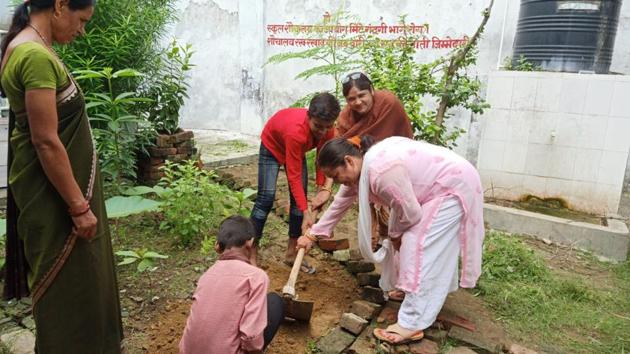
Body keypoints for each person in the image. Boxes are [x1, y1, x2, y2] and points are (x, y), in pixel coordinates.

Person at [0, 0, 123, 353]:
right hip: (57, 200)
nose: (82, 30)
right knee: (70, 287)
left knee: (80, 282)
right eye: (81, 20)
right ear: (59, 5)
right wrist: (78, 207)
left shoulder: (24, 45)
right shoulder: (35, 56)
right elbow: (46, 141)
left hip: (49, 192)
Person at [297, 136, 484, 344]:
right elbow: (340, 203)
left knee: (418, 245)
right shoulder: (363, 169)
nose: (340, 182)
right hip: (436, 188)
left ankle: (411, 323)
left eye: (336, 176)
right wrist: (311, 235)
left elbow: (411, 215)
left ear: (349, 161)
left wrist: (395, 235)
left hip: (452, 186)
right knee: (409, 241)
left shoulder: (380, 173)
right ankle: (414, 292)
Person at [337, 71, 414, 299]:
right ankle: (389, 273)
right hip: (366, 176)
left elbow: (402, 138)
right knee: (380, 229)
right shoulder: (345, 119)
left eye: (362, 95)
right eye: (352, 99)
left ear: (371, 90)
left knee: (401, 231)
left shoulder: (388, 104)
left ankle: (407, 282)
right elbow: (340, 151)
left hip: (396, 173)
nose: (358, 102)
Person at [249, 92, 340, 271]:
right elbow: (294, 176)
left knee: (299, 205)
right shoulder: (297, 132)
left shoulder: (328, 129)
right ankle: (251, 252)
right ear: (309, 116)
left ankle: (291, 254)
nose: (322, 131)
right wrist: (306, 211)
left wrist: (322, 189)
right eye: (317, 126)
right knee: (265, 199)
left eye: (326, 127)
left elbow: (323, 158)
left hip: (296, 150)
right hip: (272, 145)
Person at [179, 215, 284, 354]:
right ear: (250, 242)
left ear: (217, 246)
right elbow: (251, 336)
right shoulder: (256, 277)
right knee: (275, 302)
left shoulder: (206, 276)